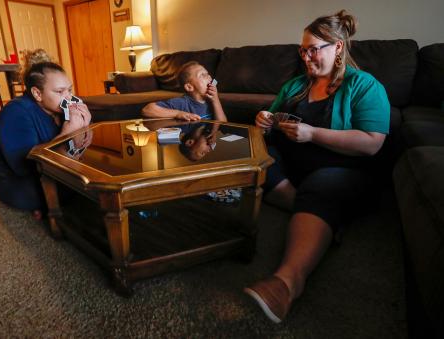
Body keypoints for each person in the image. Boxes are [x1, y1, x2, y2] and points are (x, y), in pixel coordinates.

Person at [244, 10, 390, 323]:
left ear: (338, 47)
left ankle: (286, 283)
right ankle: (321, 219)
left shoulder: (364, 85)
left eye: (314, 49)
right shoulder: (295, 85)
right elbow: (269, 123)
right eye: (303, 50)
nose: (307, 56)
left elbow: (372, 142)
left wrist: (312, 133)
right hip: (294, 169)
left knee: (322, 186)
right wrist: (265, 122)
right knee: (256, 159)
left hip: (344, 170)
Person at [0, 62, 91, 219]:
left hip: (51, 164)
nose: (69, 97)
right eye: (60, 91)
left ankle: (48, 202)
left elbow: (76, 152)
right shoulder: (15, 113)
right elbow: (25, 166)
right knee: (74, 190)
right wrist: (68, 132)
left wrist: (83, 127)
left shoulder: (59, 109)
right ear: (37, 93)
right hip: (14, 178)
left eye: (69, 89)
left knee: (87, 178)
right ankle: (41, 203)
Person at [142, 61, 227, 122]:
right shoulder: (182, 102)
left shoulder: (211, 101)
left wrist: (215, 100)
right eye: (202, 75)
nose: (209, 77)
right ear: (189, 87)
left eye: (207, 74)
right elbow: (147, 110)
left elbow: (223, 124)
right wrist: (178, 113)